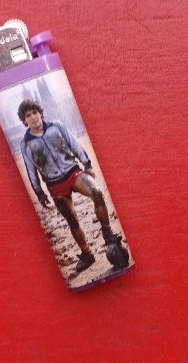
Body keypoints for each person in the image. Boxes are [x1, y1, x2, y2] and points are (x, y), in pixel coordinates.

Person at [18, 99, 120, 275]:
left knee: (96, 192)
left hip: (73, 173)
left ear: (40, 113)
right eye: (28, 115)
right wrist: (39, 193)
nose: (33, 117)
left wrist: (87, 164)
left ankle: (107, 233)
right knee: (72, 221)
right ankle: (87, 254)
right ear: (24, 121)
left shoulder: (56, 126)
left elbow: (74, 144)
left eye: (35, 112)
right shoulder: (25, 143)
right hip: (55, 186)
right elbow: (30, 170)